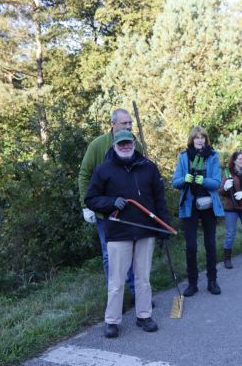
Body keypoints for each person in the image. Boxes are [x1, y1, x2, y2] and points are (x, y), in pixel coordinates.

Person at [85, 130, 171, 338]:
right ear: (114, 145)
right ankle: (112, 321)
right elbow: (91, 199)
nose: (125, 146)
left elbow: (160, 199)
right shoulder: (103, 169)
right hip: (118, 232)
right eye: (121, 143)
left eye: (128, 143)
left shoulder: (149, 167)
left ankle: (144, 316)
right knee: (117, 280)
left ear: (134, 143)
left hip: (145, 230)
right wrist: (111, 202)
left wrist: (164, 226)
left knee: (143, 278)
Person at [78, 108, 143, 302]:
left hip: (130, 209)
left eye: (130, 123)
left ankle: (136, 292)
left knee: (131, 251)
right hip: (105, 211)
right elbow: (84, 174)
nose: (129, 127)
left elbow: (141, 173)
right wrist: (86, 204)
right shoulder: (98, 145)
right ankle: (115, 297)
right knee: (109, 254)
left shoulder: (134, 144)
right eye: (125, 123)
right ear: (113, 124)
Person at [172, 126, 224, 297]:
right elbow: (175, 182)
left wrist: (204, 181)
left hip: (209, 205)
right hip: (189, 205)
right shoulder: (183, 157)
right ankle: (192, 284)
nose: (200, 140)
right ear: (192, 140)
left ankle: (212, 281)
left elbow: (217, 183)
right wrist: (184, 179)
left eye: (203, 137)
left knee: (210, 244)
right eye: (197, 137)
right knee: (191, 246)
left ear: (206, 140)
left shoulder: (213, 156)